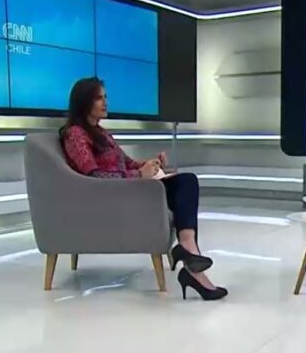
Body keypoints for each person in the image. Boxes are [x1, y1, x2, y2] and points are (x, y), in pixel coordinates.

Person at [60, 77, 227, 300]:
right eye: (99, 98)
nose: (105, 102)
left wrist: (151, 164)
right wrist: (140, 175)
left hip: (129, 189)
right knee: (183, 185)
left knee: (186, 181)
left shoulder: (102, 134)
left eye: (105, 97)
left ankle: (189, 249)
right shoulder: (75, 135)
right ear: (84, 102)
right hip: (111, 196)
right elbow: (94, 176)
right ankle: (191, 261)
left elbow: (128, 163)